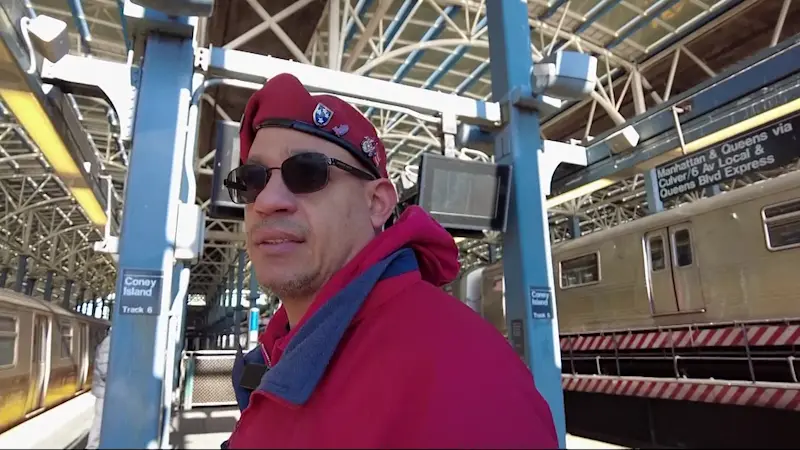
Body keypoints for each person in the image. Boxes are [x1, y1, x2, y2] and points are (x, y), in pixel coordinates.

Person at [222, 73, 558, 449]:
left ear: (377, 203)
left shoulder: (459, 370)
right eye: (252, 180)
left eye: (307, 172)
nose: (267, 202)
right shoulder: (285, 346)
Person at [87, 331, 110, 449]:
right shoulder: (109, 342)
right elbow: (103, 366)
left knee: (101, 423)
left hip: (105, 390)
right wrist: (113, 381)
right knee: (99, 424)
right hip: (104, 391)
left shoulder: (111, 340)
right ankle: (92, 447)